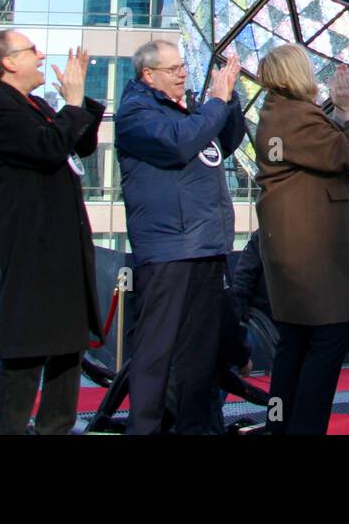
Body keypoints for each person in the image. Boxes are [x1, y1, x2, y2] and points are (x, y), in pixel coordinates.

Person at [0, 30, 104, 435]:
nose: (42, 55)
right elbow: (48, 148)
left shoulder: (34, 105)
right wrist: (72, 104)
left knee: (67, 360)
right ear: (9, 62)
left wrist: (79, 103)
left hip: (62, 256)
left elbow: (78, 148)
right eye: (32, 50)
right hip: (34, 257)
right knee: (25, 368)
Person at [114, 40, 246, 435]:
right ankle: (146, 428)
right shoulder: (137, 113)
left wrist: (229, 97)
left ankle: (195, 427)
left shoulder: (190, 112)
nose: (183, 74)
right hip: (169, 250)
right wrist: (215, 104)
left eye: (183, 66)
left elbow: (226, 141)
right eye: (173, 69)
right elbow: (177, 144)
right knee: (156, 352)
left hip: (206, 246)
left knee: (199, 354)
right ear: (148, 75)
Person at [253, 45, 349, 435]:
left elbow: (320, 148)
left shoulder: (278, 112)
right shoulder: (298, 116)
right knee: (329, 337)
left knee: (295, 343)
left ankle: (280, 425)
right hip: (312, 255)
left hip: (291, 251)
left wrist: (334, 115)